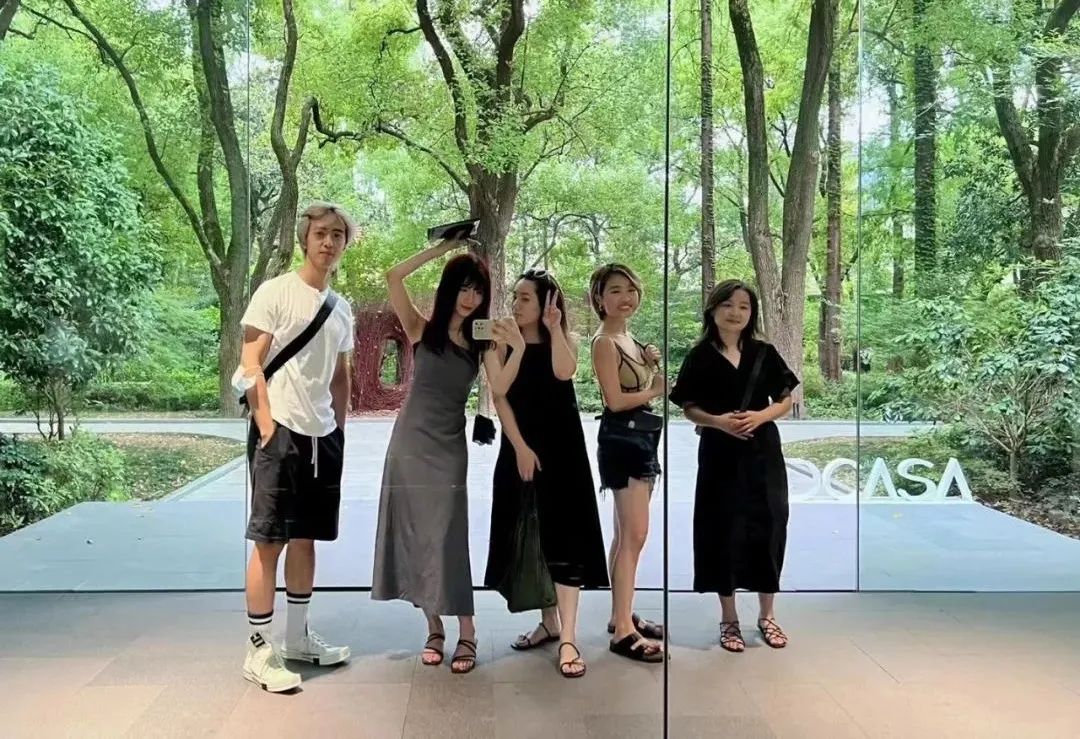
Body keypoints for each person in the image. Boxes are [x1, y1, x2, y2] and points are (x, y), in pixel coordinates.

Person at [372, 237, 517, 674]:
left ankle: (467, 630)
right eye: (463, 287)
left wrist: (518, 347)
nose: (470, 298)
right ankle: (433, 627)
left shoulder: (482, 337)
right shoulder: (421, 329)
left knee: (447, 535)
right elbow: (394, 276)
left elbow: (500, 387)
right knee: (416, 535)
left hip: (449, 448)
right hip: (409, 444)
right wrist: (442, 249)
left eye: (478, 290)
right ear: (449, 289)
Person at [234, 202, 358, 692]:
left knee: (306, 537)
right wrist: (266, 425)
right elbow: (251, 362)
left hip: (322, 437)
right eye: (321, 233)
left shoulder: (341, 307)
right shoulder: (276, 292)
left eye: (338, 235)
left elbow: (341, 376)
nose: (329, 242)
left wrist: (338, 431)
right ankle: (258, 650)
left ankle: (298, 637)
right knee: (270, 540)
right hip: (280, 430)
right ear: (305, 239)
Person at [483, 269, 609, 678]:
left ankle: (568, 637)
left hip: (564, 450)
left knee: (566, 537)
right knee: (532, 534)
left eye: (525, 298)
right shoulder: (499, 339)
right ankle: (549, 623)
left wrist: (554, 329)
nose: (516, 304)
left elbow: (564, 372)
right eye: (515, 296)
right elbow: (499, 394)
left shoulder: (564, 338)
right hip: (520, 447)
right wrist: (520, 447)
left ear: (546, 304)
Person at [669, 279, 799, 652]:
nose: (736, 312)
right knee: (721, 528)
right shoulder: (699, 356)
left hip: (763, 452)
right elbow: (688, 407)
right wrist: (718, 422)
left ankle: (767, 615)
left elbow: (786, 399)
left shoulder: (764, 352)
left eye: (744, 306)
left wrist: (760, 416)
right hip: (719, 453)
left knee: (769, 525)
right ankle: (729, 618)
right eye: (728, 304)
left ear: (751, 313)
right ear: (712, 309)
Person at [589, 263, 666, 663]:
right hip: (623, 441)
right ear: (600, 299)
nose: (626, 297)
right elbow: (615, 400)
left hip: (642, 439)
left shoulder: (629, 338)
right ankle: (623, 630)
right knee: (635, 535)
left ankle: (620, 614)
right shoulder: (605, 342)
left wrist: (649, 363)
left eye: (631, 290)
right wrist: (656, 389)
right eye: (616, 291)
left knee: (625, 536)